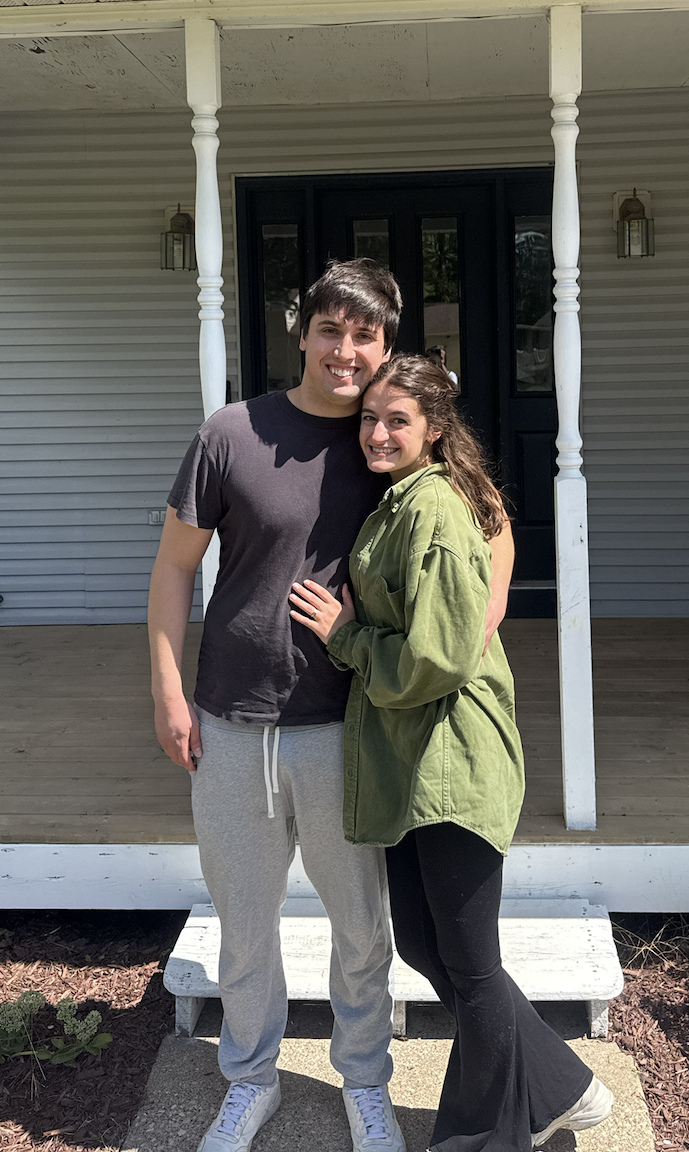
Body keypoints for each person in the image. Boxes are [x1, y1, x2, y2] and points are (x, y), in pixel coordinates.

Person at [149, 261, 514, 1152]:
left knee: (361, 931)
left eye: (366, 336)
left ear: (385, 348)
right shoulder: (232, 432)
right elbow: (173, 568)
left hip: (347, 729)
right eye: (331, 331)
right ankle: (250, 1081)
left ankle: (364, 1084)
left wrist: (472, 633)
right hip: (231, 721)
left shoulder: (388, 438)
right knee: (244, 925)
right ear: (301, 332)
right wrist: (167, 690)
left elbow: (493, 526)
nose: (346, 352)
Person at [290, 354, 614, 1152]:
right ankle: (564, 1087)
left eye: (397, 419)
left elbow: (436, 660)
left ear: (435, 431)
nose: (377, 432)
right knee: (429, 947)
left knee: (469, 964)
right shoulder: (399, 502)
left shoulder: (432, 509)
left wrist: (344, 636)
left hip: (451, 758)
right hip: (410, 765)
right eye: (369, 417)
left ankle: (480, 1138)